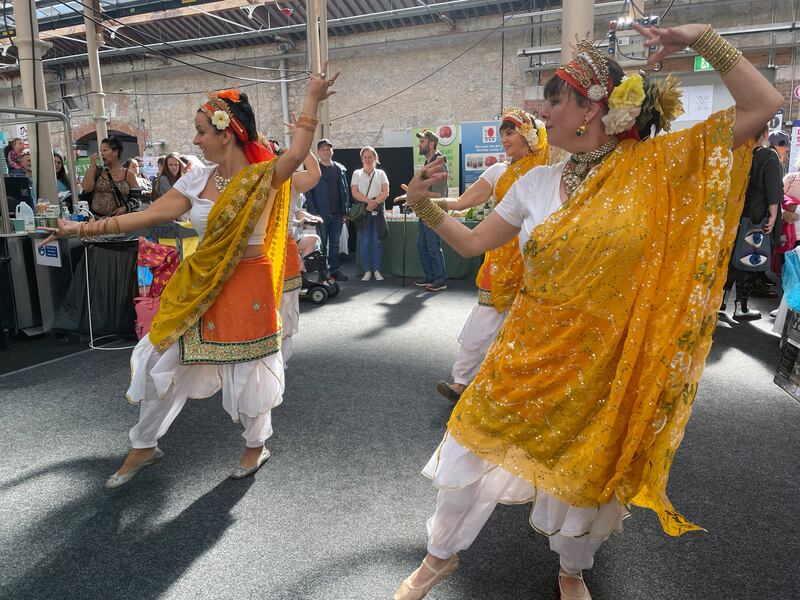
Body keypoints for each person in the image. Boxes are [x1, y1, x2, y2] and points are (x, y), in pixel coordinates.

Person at [393, 24, 782, 600]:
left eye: (555, 99)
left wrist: (699, 37)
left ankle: (571, 570)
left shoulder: (656, 168)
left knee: (582, 476)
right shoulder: (536, 183)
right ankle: (438, 557)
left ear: (593, 108)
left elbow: (764, 103)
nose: (542, 110)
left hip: (602, 359)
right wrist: (424, 206)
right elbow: (475, 245)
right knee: (471, 443)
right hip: (525, 348)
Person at [42, 67, 339, 488]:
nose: (196, 140)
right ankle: (143, 444)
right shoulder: (198, 177)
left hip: (247, 284)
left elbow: (298, 154)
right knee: (165, 357)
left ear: (227, 132)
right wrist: (81, 229)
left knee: (248, 367)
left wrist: (311, 100)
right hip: (198, 284)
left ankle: (256, 443)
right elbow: (148, 215)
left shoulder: (265, 174)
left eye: (201, 131)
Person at [405, 110, 549, 403]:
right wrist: (421, 200)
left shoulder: (549, 173)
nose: (504, 139)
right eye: (503, 133)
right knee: (484, 319)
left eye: (511, 133)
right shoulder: (497, 172)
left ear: (529, 137)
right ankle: (459, 382)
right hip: (500, 258)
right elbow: (463, 202)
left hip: (537, 262)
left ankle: (520, 388)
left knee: (529, 327)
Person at [722, 126, 783, 320]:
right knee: (749, 260)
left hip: (735, 215)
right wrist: (773, 215)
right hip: (758, 216)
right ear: (764, 134)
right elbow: (773, 188)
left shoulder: (738, 155)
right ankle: (741, 307)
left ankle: (721, 302)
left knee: (731, 259)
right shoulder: (768, 156)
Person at [281, 145, 322, 365]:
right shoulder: (257, 179)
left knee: (287, 300)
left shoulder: (292, 181)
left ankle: (280, 356)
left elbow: (315, 174)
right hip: (259, 248)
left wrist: (303, 143)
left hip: (284, 246)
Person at [304, 138, 350, 280]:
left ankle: (335, 271)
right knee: (322, 245)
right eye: (323, 149)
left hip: (337, 214)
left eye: (328, 149)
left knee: (335, 245)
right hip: (320, 215)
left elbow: (345, 191)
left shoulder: (340, 169)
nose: (326, 151)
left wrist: (345, 211)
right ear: (318, 152)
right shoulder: (314, 170)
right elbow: (308, 191)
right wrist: (313, 212)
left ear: (332, 151)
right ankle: (323, 273)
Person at [414, 130, 449, 291]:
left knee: (433, 246)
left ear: (431, 144)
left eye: (422, 142)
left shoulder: (439, 163)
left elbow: (439, 193)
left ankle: (440, 280)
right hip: (424, 211)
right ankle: (430, 277)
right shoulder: (429, 163)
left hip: (433, 211)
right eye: (420, 142)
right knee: (422, 245)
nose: (419, 145)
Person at [351, 146, 389, 281]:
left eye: (370, 157)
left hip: (377, 211)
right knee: (365, 242)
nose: (368, 159)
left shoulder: (381, 174)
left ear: (375, 158)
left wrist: (375, 203)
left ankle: (377, 270)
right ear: (362, 159)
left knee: (377, 241)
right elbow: (354, 192)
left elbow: (386, 192)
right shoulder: (356, 173)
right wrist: (368, 202)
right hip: (363, 212)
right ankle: (367, 270)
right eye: (365, 157)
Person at [81, 135, 141, 217]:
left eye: (105, 150)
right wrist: (92, 165)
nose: (101, 154)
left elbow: (137, 199)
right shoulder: (97, 171)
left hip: (119, 221)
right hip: (97, 220)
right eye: (100, 151)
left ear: (116, 152)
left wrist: (126, 208)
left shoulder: (128, 174)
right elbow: (86, 188)